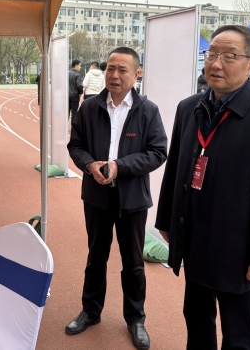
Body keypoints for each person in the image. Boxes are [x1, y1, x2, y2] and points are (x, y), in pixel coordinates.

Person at [156, 25, 250, 349]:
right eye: (211, 54)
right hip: (194, 238)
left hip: (239, 249)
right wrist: (167, 221)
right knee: (196, 321)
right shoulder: (189, 107)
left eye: (229, 56)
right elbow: (176, 168)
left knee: (240, 335)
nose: (216, 63)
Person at [66, 47, 168, 350]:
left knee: (133, 261)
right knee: (96, 256)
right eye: (110, 68)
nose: (114, 75)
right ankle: (91, 311)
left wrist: (120, 167)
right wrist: (89, 164)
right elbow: (75, 145)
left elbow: (158, 152)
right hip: (96, 196)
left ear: (137, 74)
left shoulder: (148, 111)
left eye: (123, 69)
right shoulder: (89, 107)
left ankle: (135, 319)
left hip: (132, 199)